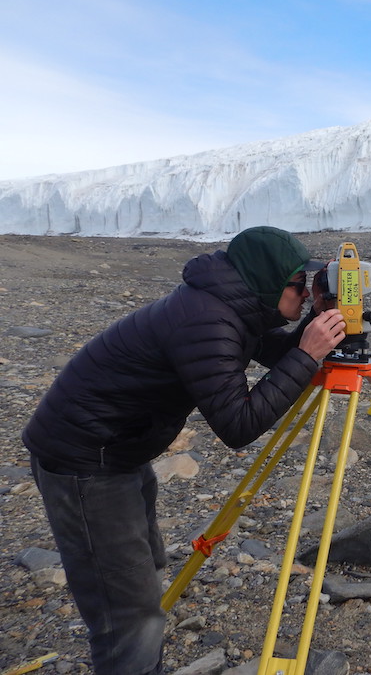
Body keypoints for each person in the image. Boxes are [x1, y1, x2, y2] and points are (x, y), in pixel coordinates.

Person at [22, 225, 348, 675]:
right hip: (85, 460)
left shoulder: (226, 306)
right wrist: (307, 355)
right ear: (267, 282)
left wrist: (314, 326)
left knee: (145, 565)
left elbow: (272, 353)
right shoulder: (206, 321)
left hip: (116, 449)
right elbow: (238, 424)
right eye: (299, 284)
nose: (306, 293)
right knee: (127, 607)